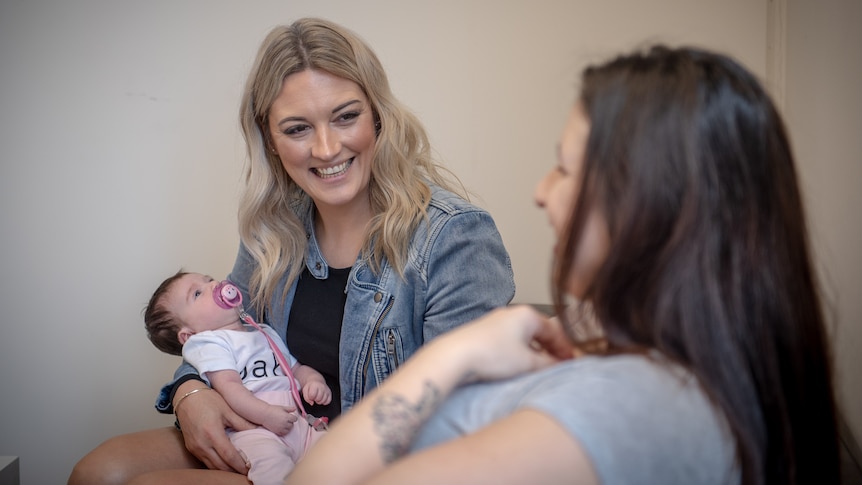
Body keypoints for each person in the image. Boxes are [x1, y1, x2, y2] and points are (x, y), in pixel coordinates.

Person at [285, 45, 841, 485]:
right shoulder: (642, 361)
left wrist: (455, 354)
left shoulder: (632, 409)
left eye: (562, 168)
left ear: (646, 203)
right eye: (296, 128)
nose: (541, 192)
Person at [69, 17, 514, 485]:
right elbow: (219, 334)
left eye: (346, 116)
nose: (326, 148)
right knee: (97, 472)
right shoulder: (274, 227)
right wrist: (190, 393)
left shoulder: (455, 237)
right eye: (298, 128)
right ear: (271, 140)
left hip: (376, 465)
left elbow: (463, 421)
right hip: (276, 432)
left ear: (378, 115)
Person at [143, 271, 331, 484]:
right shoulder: (209, 343)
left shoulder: (263, 331)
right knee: (272, 467)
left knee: (334, 454)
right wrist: (266, 415)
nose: (213, 285)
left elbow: (295, 368)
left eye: (208, 279)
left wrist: (313, 380)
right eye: (197, 293)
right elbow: (230, 387)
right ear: (189, 335)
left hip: (297, 423)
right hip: (255, 430)